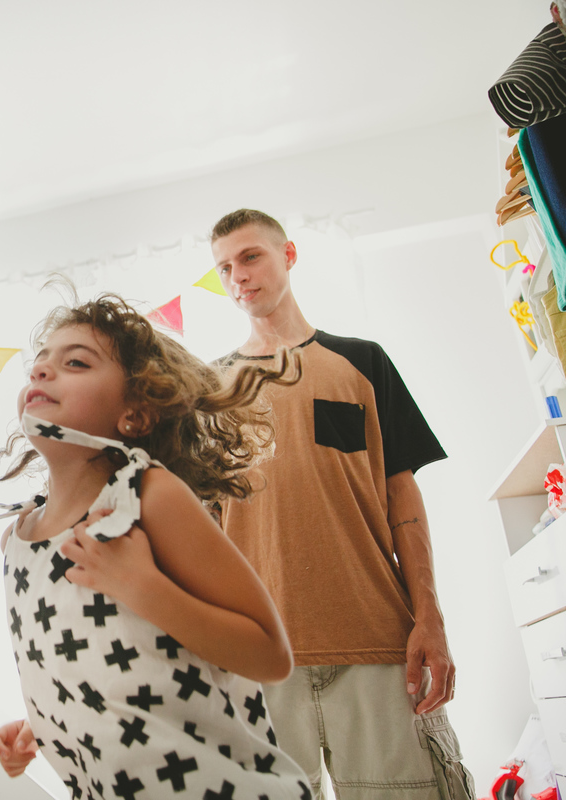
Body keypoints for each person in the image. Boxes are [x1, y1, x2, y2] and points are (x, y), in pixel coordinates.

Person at [0, 295, 312, 799]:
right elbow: (110, 658)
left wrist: (142, 586)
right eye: (40, 362)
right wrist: (46, 721)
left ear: (135, 414)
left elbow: (270, 655)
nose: (41, 370)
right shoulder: (16, 540)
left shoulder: (147, 496)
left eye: (75, 362)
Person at [210, 208, 473, 799]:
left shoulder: (364, 361)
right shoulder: (211, 388)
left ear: (289, 255)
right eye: (224, 268)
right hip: (259, 658)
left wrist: (429, 616)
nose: (237, 277)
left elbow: (402, 498)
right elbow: (200, 528)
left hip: (380, 645)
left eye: (250, 257)